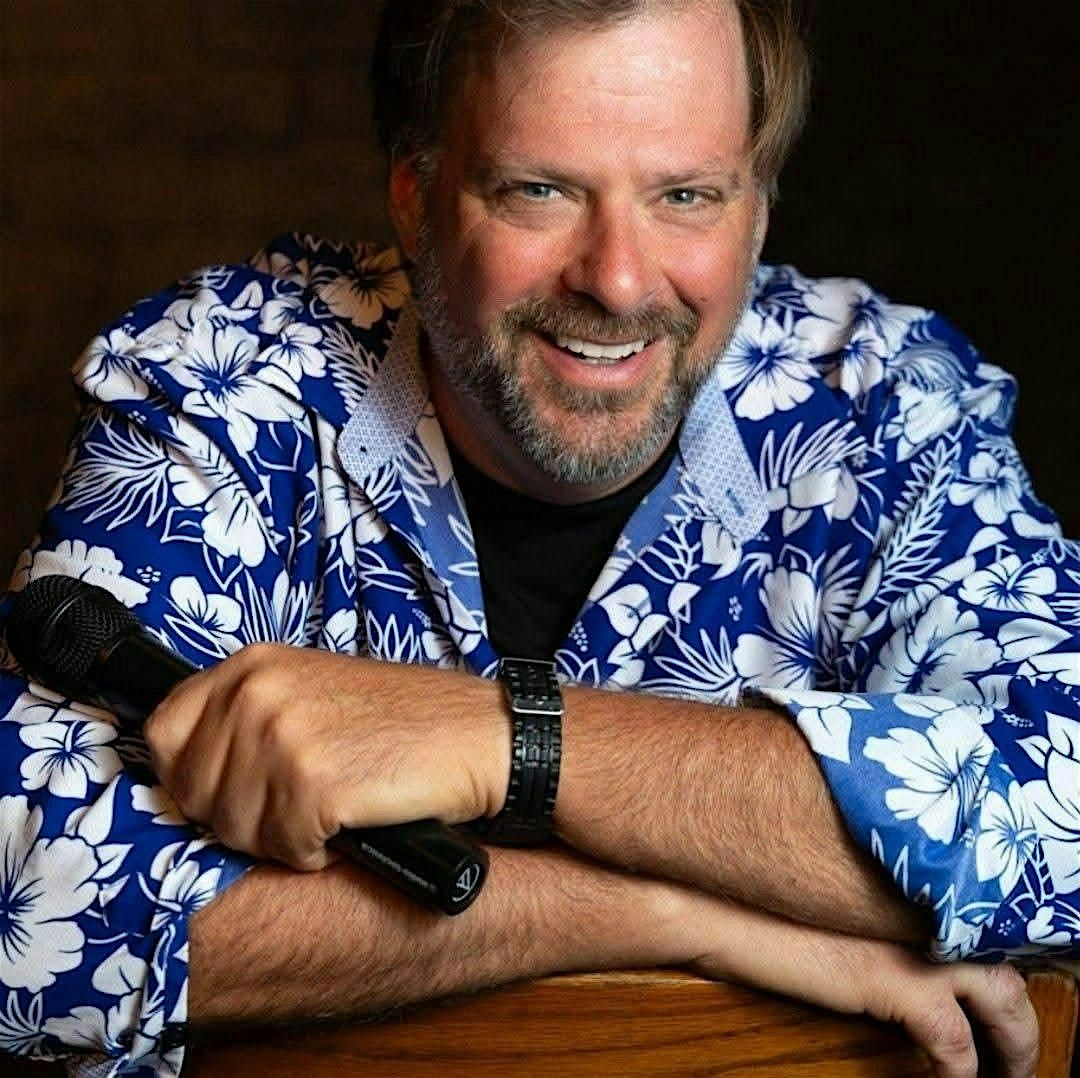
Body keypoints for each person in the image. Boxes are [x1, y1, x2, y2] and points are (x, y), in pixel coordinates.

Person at [0, 0, 1074, 1074]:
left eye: (686, 196)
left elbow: (1062, 810)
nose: (617, 279)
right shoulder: (226, 379)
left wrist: (505, 742)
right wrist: (672, 914)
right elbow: (31, 899)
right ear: (415, 197)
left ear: (756, 210)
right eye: (539, 191)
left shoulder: (886, 407)